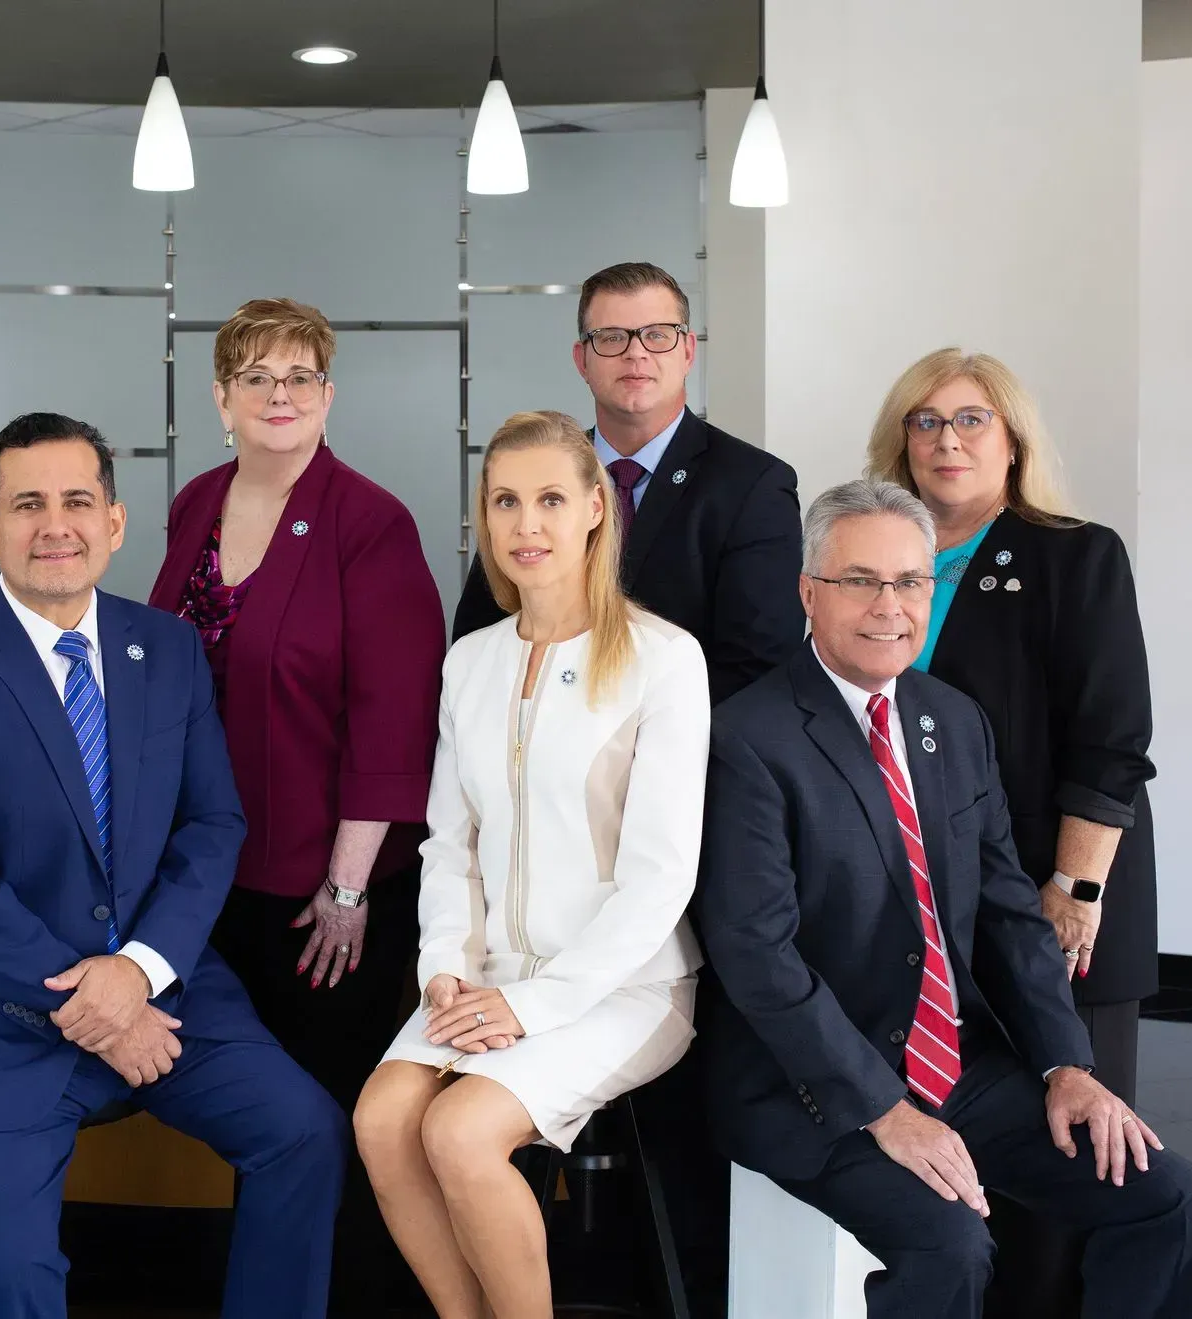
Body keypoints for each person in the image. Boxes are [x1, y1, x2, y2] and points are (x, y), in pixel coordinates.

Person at [695, 479, 1192, 1319]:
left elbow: (1009, 911)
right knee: (950, 1243)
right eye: (860, 580)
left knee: (1168, 1196)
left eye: (910, 581)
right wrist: (883, 1111)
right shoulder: (749, 738)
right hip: (813, 1089)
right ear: (808, 592)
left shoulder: (953, 720)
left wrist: (1066, 1064)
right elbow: (759, 960)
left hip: (957, 1066)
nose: (889, 606)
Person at [0, 412, 346, 1318]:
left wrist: (139, 971)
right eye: (28, 504)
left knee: (306, 1134)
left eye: (78, 501)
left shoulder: (165, 649)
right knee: (12, 1276)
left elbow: (213, 826)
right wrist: (95, 1004)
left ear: (115, 522)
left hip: (164, 987)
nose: (56, 525)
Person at [352, 410, 708, 1319]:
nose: (527, 525)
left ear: (597, 507)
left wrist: (532, 1004)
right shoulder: (470, 662)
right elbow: (447, 844)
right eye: (506, 501)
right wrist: (443, 974)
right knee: (383, 1120)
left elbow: (660, 881)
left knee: (462, 1133)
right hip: (481, 980)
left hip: (627, 987)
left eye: (551, 498)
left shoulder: (665, 660)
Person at [146, 297, 445, 1311]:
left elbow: (394, 715)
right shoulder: (196, 504)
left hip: (327, 898)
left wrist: (350, 887)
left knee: (334, 1117)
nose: (282, 395)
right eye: (259, 376)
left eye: (302, 376)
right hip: (211, 882)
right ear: (223, 394)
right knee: (265, 1124)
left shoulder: (371, 523)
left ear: (328, 394)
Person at [864, 348, 1158, 1316]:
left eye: (971, 419)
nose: (947, 439)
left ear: (1014, 437)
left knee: (1070, 1148)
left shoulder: (1075, 553)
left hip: (1060, 892)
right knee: (964, 1145)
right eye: (926, 421)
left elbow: (1111, 741)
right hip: (938, 911)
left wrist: (1072, 893)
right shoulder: (878, 561)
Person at [449, 261, 802, 705]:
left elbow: (759, 671)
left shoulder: (754, 486)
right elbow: (481, 631)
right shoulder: (536, 474)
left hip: (693, 760)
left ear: (688, 351)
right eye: (612, 338)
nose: (636, 353)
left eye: (657, 334)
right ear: (582, 360)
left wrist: (640, 743)